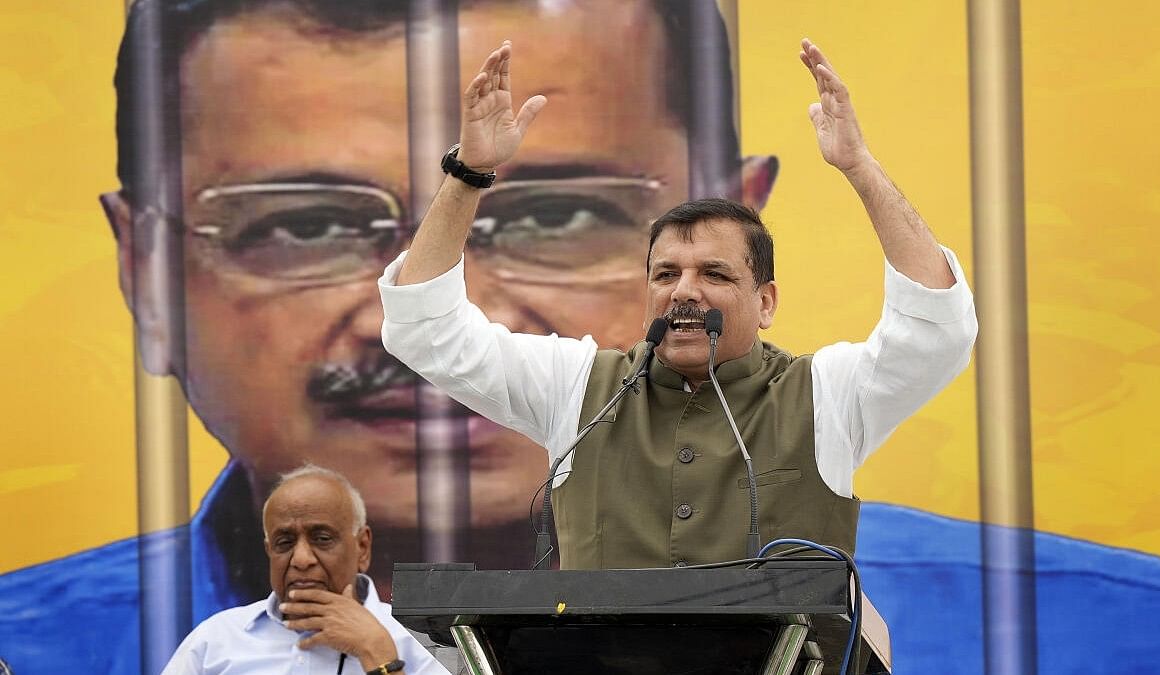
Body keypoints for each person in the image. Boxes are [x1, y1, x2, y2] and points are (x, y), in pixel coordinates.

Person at [0, 1, 764, 670]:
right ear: (148, 276)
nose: (422, 332)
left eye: (555, 217)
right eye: (307, 226)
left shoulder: (857, 604)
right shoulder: (30, 647)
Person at [380, 40, 977, 566]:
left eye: (713, 274)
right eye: (666, 274)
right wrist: (468, 174)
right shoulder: (579, 389)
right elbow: (425, 329)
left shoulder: (826, 396)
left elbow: (935, 331)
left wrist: (860, 168)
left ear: (765, 301)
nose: (684, 291)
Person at [163, 464, 447, 674]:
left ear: (362, 547)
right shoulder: (216, 639)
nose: (301, 559)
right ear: (268, 552)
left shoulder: (417, 641)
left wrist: (377, 653)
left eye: (322, 539)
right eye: (284, 542)